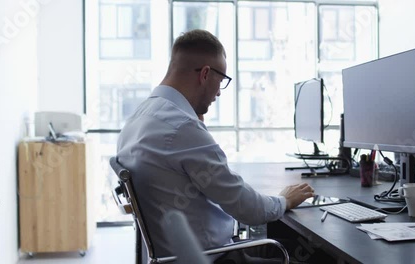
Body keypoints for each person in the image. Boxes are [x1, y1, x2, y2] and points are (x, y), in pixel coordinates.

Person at [116, 29, 316, 263]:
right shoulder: (182, 127)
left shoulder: (137, 119)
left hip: (178, 255)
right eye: (221, 81)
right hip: (214, 257)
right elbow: (247, 209)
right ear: (205, 74)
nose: (219, 92)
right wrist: (284, 200)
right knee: (315, 255)